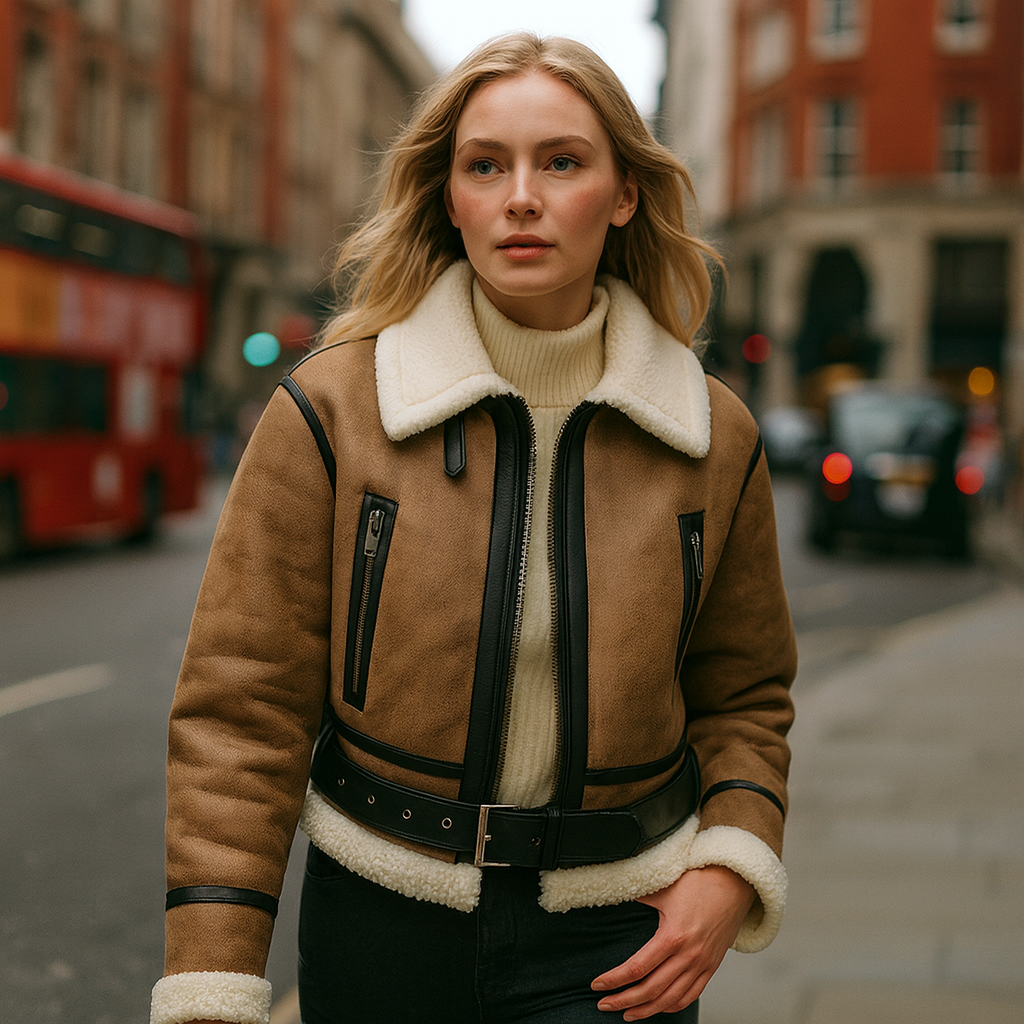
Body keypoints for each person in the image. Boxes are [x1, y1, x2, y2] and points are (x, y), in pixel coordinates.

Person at [150, 32, 796, 1024]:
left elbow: (746, 688)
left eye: (563, 162)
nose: (521, 197)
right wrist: (211, 982)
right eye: (485, 165)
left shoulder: (712, 435)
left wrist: (730, 866)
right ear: (447, 196)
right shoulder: (333, 411)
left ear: (624, 192)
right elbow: (241, 714)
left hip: (619, 938)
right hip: (382, 926)